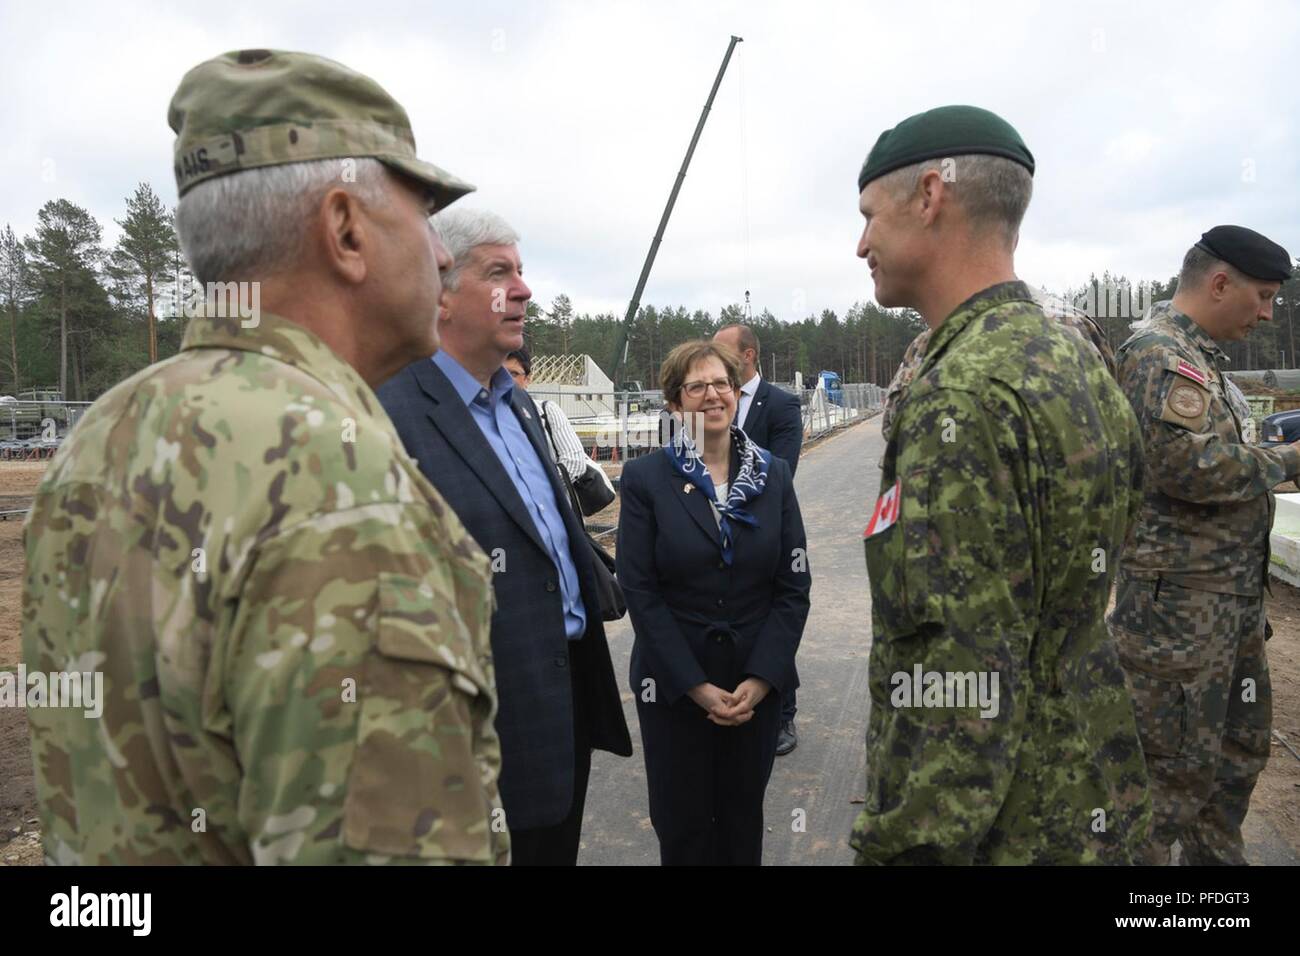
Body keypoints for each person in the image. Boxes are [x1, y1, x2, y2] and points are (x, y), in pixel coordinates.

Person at [21, 49, 507, 865]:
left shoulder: (99, 437)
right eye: (422, 211)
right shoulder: (340, 482)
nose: (444, 253)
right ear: (346, 229)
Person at [848, 104, 1151, 864]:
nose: (861, 245)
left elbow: (959, 680)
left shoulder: (961, 394)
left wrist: (905, 851)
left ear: (929, 195)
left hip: (1010, 828)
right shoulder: (1076, 359)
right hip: (1093, 792)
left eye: (868, 217)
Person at [377, 208, 632, 866]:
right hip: (475, 727)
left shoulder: (518, 403)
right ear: (442, 290)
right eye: (499, 273)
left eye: (521, 273)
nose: (522, 290)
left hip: (565, 691)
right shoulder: (388, 412)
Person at [1109, 225, 1297, 865]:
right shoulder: (1159, 356)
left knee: (1232, 762)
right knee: (1168, 780)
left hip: (1228, 607)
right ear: (1221, 283)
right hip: (1178, 619)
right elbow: (1184, 468)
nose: (1270, 314)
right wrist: (1286, 459)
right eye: (1265, 296)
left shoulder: (1201, 361)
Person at [617, 340, 811, 865]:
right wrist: (696, 687)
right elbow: (641, 589)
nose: (711, 395)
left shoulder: (773, 476)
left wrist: (764, 677)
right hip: (675, 684)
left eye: (721, 384)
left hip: (755, 684)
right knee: (683, 828)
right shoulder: (646, 479)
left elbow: (793, 586)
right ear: (675, 403)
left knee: (743, 822)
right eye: (696, 386)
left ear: (736, 393)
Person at [713, 323, 805, 755]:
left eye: (722, 351)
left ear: (747, 355)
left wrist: (732, 502)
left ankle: (783, 713)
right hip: (711, 531)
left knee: (772, 622)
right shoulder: (710, 401)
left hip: (765, 532)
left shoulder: (782, 405)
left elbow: (782, 468)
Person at [505, 345, 614, 508]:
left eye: (513, 373)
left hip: (554, 508)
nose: (505, 379)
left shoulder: (547, 411)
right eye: (499, 373)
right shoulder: (484, 419)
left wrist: (532, 487)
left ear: (528, 378)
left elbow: (574, 461)